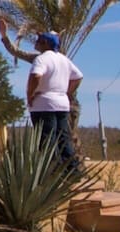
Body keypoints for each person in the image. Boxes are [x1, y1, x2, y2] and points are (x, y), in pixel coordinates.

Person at [27, 31, 82, 171]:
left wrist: (30, 94)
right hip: (62, 104)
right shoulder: (63, 59)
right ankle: (72, 170)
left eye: (39, 40)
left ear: (45, 43)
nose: (36, 42)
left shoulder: (41, 59)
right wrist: (66, 93)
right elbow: (78, 77)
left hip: (43, 104)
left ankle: (51, 171)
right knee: (63, 138)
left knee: (46, 140)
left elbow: (36, 76)